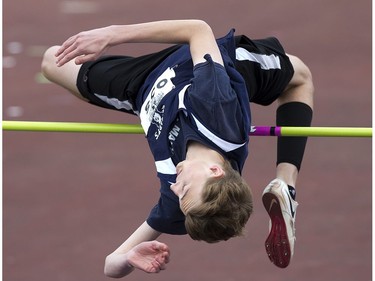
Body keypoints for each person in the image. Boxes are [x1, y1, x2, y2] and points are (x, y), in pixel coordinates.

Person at [41, 19, 313, 277]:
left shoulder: (180, 205)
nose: (173, 187)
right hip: (217, 68)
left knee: (52, 61)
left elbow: (110, 264)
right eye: (184, 189)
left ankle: (285, 189)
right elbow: (197, 30)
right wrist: (111, 35)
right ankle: (286, 183)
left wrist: (127, 258)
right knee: (299, 77)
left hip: (142, 86)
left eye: (179, 193)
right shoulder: (215, 104)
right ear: (215, 170)